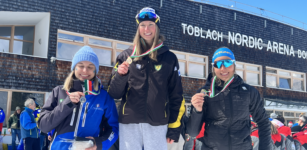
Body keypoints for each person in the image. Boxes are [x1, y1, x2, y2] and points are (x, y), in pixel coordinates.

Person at [108, 7, 185, 150]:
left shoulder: (169, 58)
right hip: (129, 123)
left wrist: (174, 127)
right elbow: (113, 93)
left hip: (158, 123)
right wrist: (120, 76)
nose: (146, 29)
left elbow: (177, 95)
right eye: (142, 25)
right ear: (138, 28)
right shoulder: (126, 56)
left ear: (157, 27)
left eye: (151, 24)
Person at [186, 47, 271, 150]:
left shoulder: (248, 92)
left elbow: (263, 122)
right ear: (214, 67)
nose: (223, 68)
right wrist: (197, 110)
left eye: (227, 63)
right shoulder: (204, 93)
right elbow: (192, 132)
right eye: (218, 64)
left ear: (234, 65)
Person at [38, 46, 119, 150]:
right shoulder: (59, 92)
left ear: (95, 70)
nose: (85, 70)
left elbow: (114, 129)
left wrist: (99, 144)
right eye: (81, 66)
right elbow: (43, 126)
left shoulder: (104, 97)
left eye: (90, 67)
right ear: (74, 68)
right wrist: (68, 103)